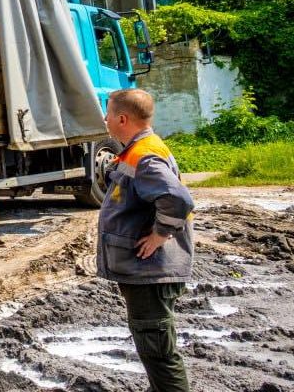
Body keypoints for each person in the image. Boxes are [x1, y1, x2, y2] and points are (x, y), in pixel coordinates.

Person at [97, 88, 194, 392]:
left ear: (122, 118)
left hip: (151, 271)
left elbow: (177, 199)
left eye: (109, 113)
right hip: (147, 271)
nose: (105, 118)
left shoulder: (145, 155)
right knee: (154, 346)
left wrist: (159, 235)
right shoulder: (139, 150)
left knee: (158, 351)